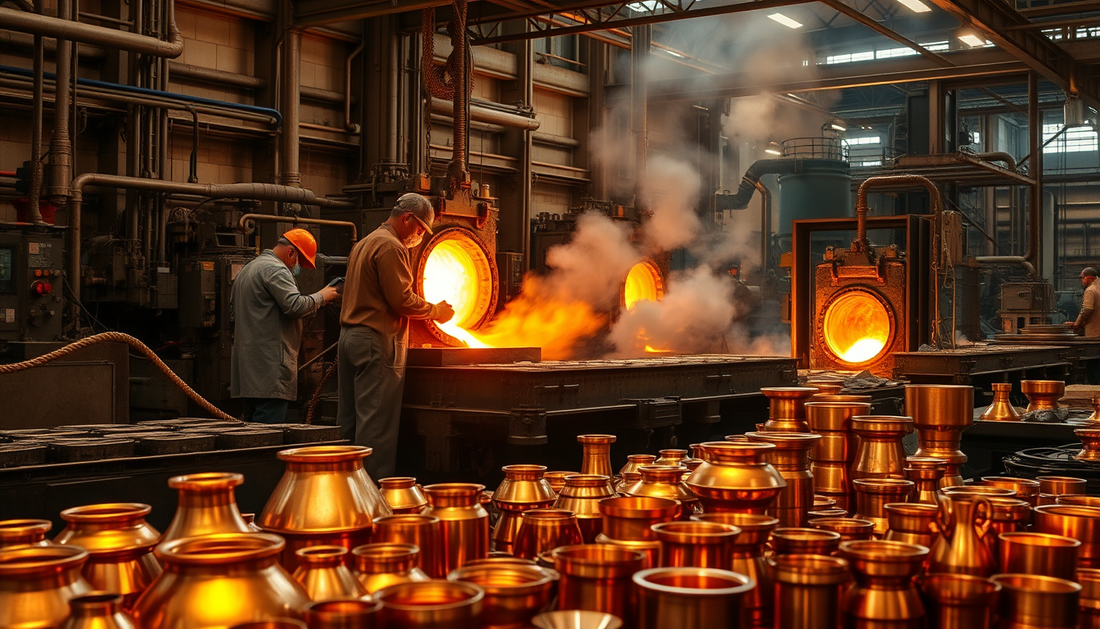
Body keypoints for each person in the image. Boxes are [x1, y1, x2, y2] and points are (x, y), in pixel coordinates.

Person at [337, 193, 455, 479]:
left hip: (349, 339)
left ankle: (343, 489)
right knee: (376, 426)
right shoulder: (391, 246)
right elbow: (401, 300)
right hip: (376, 341)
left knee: (348, 424)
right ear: (407, 218)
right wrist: (436, 311)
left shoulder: (365, 242)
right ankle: (373, 494)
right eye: (420, 228)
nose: (419, 235)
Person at [231, 228, 340, 423]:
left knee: (251, 433)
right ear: (291, 252)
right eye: (300, 263)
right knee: (267, 435)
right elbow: (294, 306)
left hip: (248, 372)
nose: (298, 269)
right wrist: (323, 296)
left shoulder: (248, 269)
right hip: (269, 372)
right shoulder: (276, 269)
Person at [1070, 266, 1100, 384]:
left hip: (1095, 334)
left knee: (1093, 366)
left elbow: (1087, 309)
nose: (1082, 281)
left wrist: (1077, 324)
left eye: (1082, 278)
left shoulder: (1090, 290)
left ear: (1089, 277)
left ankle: (1095, 390)